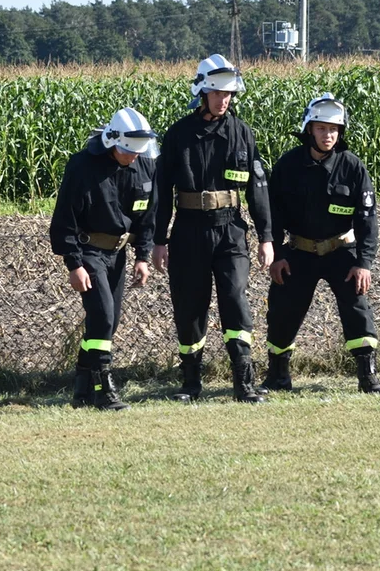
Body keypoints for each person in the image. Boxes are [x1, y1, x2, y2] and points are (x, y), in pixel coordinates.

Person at [152, 54, 273, 403]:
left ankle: (244, 382)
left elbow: (257, 190)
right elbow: (161, 192)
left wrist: (266, 238)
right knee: (190, 306)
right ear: (202, 93)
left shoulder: (242, 132)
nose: (224, 100)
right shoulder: (178, 135)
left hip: (231, 231)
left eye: (230, 94)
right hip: (188, 231)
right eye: (218, 93)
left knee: (235, 299)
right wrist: (159, 241)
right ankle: (190, 384)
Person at [262, 93, 380, 394]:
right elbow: (273, 216)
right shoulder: (288, 166)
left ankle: (367, 375)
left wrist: (363, 263)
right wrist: (277, 255)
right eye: (321, 128)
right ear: (309, 129)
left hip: (341, 251)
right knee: (283, 311)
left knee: (357, 309)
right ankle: (278, 375)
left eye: (333, 129)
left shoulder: (353, 167)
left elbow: (367, 220)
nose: (328, 135)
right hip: (298, 252)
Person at [50, 107, 159, 411]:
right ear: (112, 141)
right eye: (128, 150)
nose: (133, 156)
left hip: (119, 255)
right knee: (102, 316)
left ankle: (82, 388)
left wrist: (142, 257)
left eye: (138, 150)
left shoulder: (144, 165)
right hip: (89, 253)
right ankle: (104, 389)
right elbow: (65, 218)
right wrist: (74, 264)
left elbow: (147, 216)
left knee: (108, 324)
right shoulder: (83, 167)